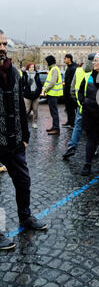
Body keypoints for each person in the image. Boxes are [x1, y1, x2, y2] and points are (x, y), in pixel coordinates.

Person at [0, 30, 47, 251]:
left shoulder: (16, 73)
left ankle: (25, 217)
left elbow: (20, 105)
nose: (2, 48)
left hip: (15, 141)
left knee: (23, 182)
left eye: (3, 44)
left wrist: (25, 136)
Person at [62, 54, 95, 160]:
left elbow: (72, 87)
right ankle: (93, 149)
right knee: (92, 128)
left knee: (78, 126)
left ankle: (72, 146)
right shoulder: (97, 72)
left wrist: (77, 101)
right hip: (93, 105)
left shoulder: (79, 70)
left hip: (81, 103)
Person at [41, 56, 63, 135]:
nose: (46, 63)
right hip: (51, 94)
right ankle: (54, 127)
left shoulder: (54, 69)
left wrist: (45, 89)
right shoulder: (53, 69)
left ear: (50, 61)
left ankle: (56, 128)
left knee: (54, 112)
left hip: (53, 94)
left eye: (47, 61)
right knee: (53, 111)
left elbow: (52, 82)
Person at [22, 62, 43, 129]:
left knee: (35, 110)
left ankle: (35, 123)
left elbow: (40, 85)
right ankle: (23, 123)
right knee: (26, 110)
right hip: (27, 96)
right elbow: (22, 85)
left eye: (33, 67)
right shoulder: (25, 75)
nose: (32, 68)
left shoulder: (36, 75)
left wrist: (38, 92)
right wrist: (25, 92)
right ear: (28, 68)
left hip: (35, 95)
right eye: (30, 67)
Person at [62, 54, 78, 128]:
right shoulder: (69, 67)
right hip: (67, 91)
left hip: (70, 91)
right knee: (68, 108)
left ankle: (72, 123)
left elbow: (72, 81)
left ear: (69, 59)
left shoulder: (73, 68)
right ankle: (69, 121)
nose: (64, 60)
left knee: (72, 108)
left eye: (65, 58)